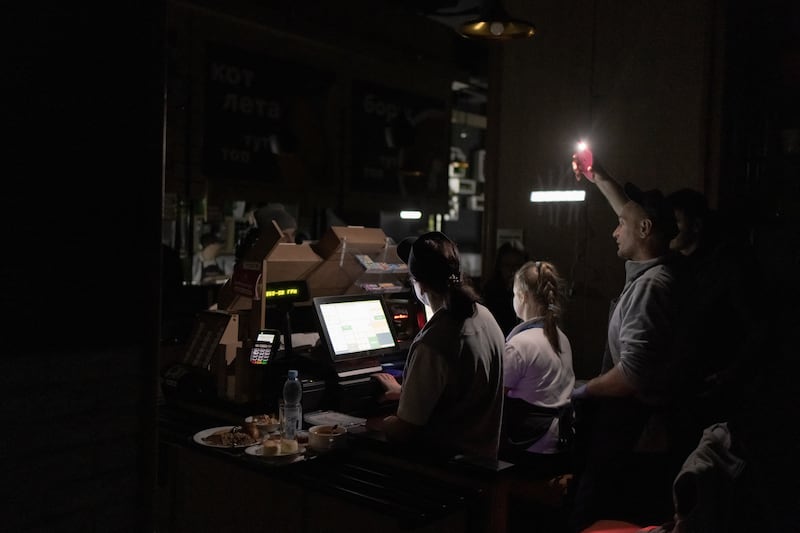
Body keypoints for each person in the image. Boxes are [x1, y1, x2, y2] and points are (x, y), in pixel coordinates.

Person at [568, 156, 691, 531]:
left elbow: (632, 376)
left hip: (633, 433)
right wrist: (599, 177)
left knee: (600, 513)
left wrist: (580, 390)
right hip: (637, 430)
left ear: (644, 229)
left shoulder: (652, 288)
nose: (614, 230)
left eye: (621, 224)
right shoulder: (658, 269)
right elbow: (630, 210)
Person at [367, 231, 506, 461]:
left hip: (445, 474)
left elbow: (405, 430)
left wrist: (371, 424)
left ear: (419, 285)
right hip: (483, 464)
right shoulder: (485, 318)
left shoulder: (434, 342)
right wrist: (405, 394)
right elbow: (461, 396)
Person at [500, 259, 575, 469]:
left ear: (522, 296)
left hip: (530, 449)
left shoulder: (520, 344)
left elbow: (493, 398)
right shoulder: (562, 338)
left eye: (514, 294)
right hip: (561, 445)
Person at [482, 240, 530, 336]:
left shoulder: (530, 293)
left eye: (518, 266)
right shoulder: (490, 292)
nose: (513, 271)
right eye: (507, 265)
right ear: (499, 267)